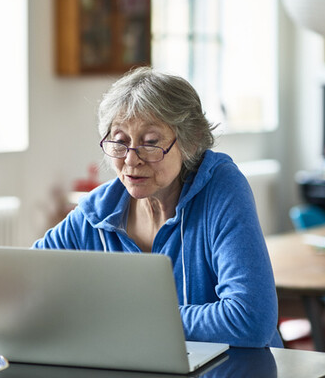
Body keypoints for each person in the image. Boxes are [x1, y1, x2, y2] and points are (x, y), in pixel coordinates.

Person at [33, 66, 283, 348]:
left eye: (151, 143)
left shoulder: (221, 189)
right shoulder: (98, 210)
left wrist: (128, 320)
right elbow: (26, 283)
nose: (131, 159)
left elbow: (250, 320)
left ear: (192, 142)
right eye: (120, 141)